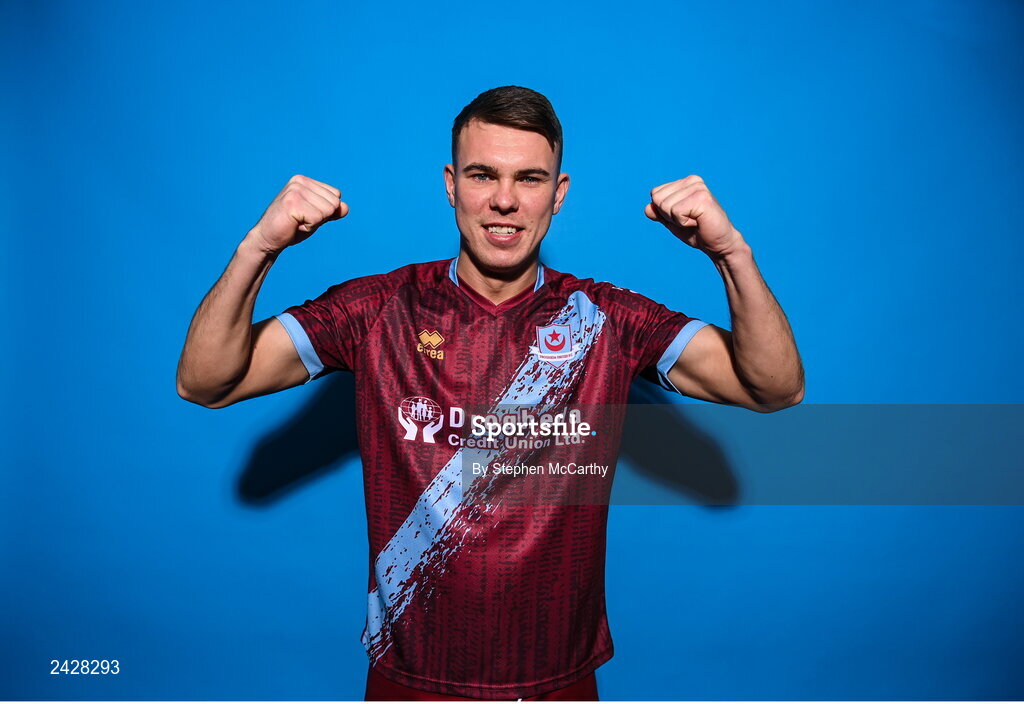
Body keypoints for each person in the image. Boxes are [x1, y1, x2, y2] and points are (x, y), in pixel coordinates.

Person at [176, 86, 804, 700]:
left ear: (558, 194)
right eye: (483, 175)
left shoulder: (606, 319)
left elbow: (773, 388)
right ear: (451, 185)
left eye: (529, 179)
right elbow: (205, 381)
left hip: (557, 677)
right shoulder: (379, 309)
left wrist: (730, 253)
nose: (504, 200)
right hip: (410, 677)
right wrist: (260, 247)